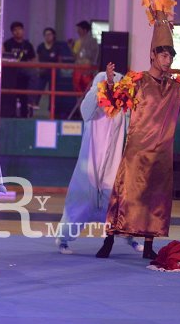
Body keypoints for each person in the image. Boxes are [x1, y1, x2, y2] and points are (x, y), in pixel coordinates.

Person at [96, 0, 180, 260]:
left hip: (161, 156)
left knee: (155, 200)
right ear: (153, 56)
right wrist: (109, 81)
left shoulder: (177, 88)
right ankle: (109, 241)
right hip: (136, 153)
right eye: (164, 56)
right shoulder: (137, 82)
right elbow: (113, 100)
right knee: (124, 197)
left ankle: (148, 245)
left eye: (171, 57)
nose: (168, 61)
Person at [54, 70, 141, 254]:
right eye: (110, 84)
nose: (113, 87)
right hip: (90, 166)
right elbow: (85, 110)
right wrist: (101, 88)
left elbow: (131, 125)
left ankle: (130, 238)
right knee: (80, 203)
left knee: (119, 203)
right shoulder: (93, 105)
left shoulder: (121, 109)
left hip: (112, 166)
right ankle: (63, 240)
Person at [2, 21, 37, 116]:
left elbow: (33, 60)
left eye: (19, 29)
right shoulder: (7, 44)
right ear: (12, 32)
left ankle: (31, 102)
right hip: (10, 71)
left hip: (25, 70)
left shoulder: (28, 45)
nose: (17, 32)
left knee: (34, 74)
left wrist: (29, 65)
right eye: (15, 30)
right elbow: (3, 57)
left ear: (23, 31)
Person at [72, 21, 99, 93]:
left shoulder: (92, 41)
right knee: (77, 89)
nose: (77, 31)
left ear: (85, 30)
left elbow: (94, 56)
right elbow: (75, 55)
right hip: (78, 69)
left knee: (87, 89)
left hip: (88, 70)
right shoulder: (77, 42)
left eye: (79, 29)